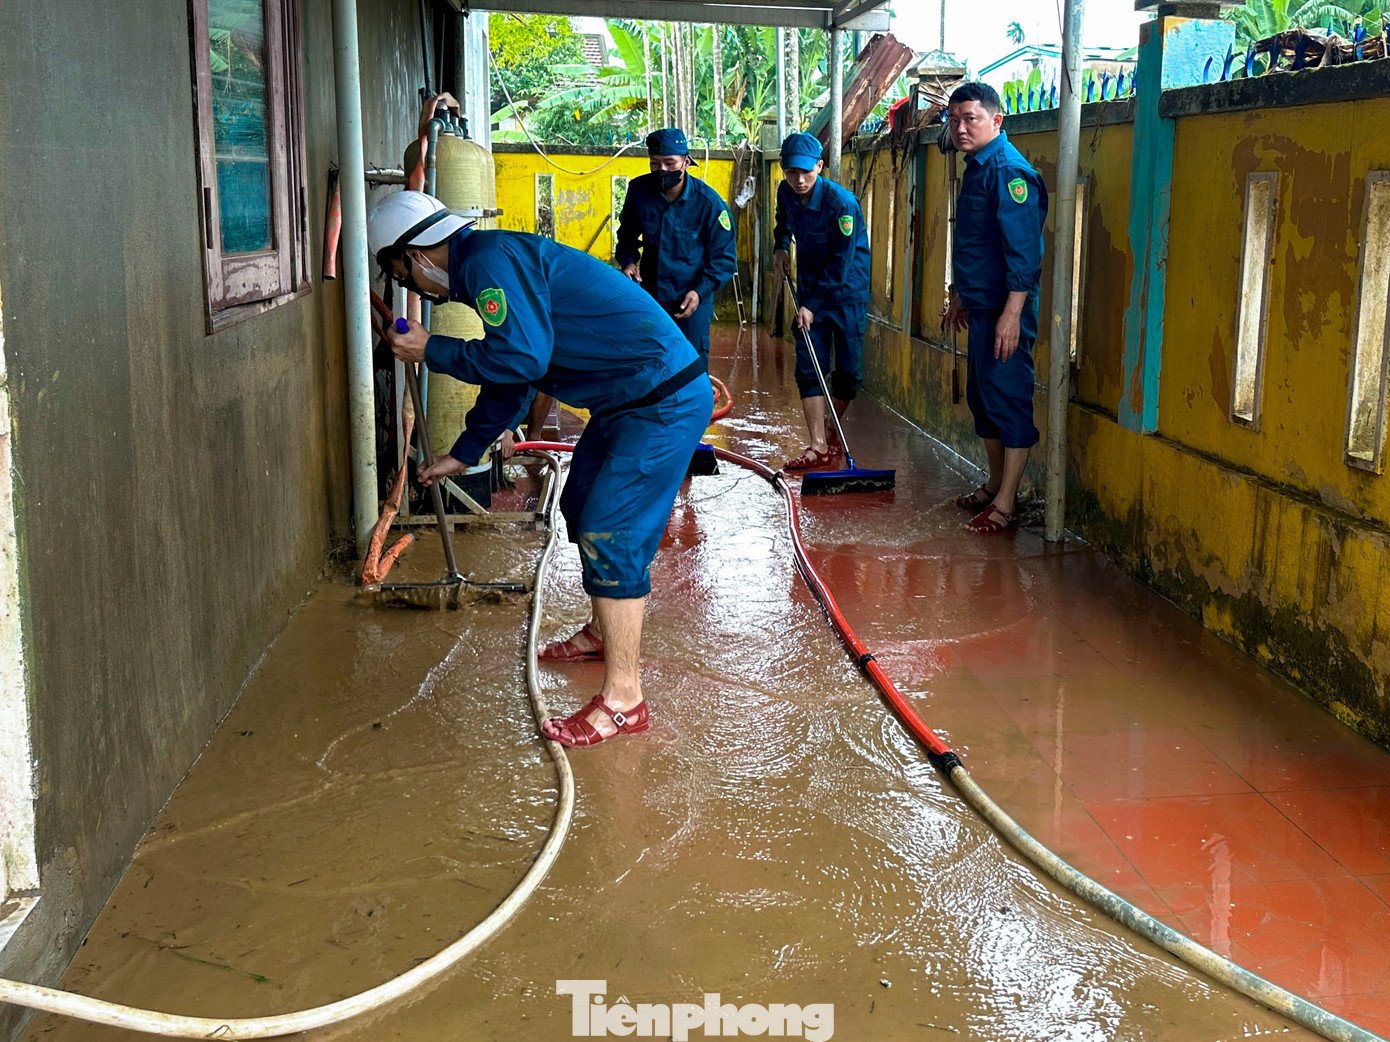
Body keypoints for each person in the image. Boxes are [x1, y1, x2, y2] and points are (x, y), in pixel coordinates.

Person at [371, 187, 713, 749]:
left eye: (403, 276)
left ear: (416, 256)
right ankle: (605, 634)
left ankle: (624, 701)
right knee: (578, 506)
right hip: (626, 401)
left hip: (662, 401)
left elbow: (521, 360)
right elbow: (517, 373)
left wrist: (434, 350)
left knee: (611, 528)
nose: (411, 288)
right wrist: (466, 449)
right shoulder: (489, 261)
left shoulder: (485, 262)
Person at [942, 82, 1049, 534]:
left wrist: (1011, 315)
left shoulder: (1008, 172)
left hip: (1007, 311)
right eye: (954, 119)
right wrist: (962, 294)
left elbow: (1024, 253)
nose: (961, 128)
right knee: (984, 401)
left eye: (971, 119)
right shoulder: (979, 167)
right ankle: (992, 485)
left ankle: (1007, 504)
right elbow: (979, 244)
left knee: (1008, 401)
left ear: (996, 120)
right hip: (982, 308)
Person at [771, 132, 871, 471]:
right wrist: (781, 246)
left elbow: (841, 265)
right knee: (809, 364)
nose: (799, 180)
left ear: (820, 166)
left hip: (846, 292)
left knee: (849, 373)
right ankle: (816, 445)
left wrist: (811, 305)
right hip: (810, 290)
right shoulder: (786, 192)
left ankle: (830, 430)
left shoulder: (842, 206)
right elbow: (782, 220)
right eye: (791, 173)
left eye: (806, 173)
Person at [616, 127, 737, 361]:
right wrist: (629, 261)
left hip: (691, 297)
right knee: (649, 362)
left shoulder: (709, 204)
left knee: (691, 366)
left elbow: (723, 259)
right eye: (655, 163)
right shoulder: (639, 191)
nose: (662, 170)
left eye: (670, 163)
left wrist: (700, 291)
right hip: (650, 295)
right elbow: (627, 235)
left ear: (686, 162)